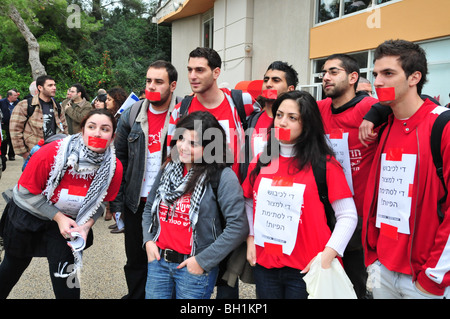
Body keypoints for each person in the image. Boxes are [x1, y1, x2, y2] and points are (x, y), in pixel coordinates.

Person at [243, 90, 357, 298]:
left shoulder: (326, 165)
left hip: (307, 268)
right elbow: (250, 202)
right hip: (266, 266)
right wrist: (251, 238)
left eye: (292, 117)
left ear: (307, 124)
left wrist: (327, 255)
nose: (282, 122)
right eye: (279, 115)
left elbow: (348, 215)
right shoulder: (261, 160)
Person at [0, 108, 123, 299]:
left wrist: (86, 226)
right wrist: (58, 217)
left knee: (67, 281)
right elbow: (25, 193)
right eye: (91, 127)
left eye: (104, 129)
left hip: (70, 224)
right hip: (30, 214)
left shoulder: (114, 167)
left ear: (112, 136)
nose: (97, 133)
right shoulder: (52, 153)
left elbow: (100, 203)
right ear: (82, 130)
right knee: (11, 268)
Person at [362, 39, 450, 299]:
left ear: (414, 77)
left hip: (423, 277)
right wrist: (373, 258)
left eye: (388, 74)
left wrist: (434, 276)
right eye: (375, 74)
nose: (378, 82)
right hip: (382, 268)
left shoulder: (443, 126)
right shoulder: (385, 126)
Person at [142, 111, 248, 299]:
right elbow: (149, 207)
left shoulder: (222, 176)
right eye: (181, 138)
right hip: (158, 262)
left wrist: (202, 261)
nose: (183, 147)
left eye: (193, 143)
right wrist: (148, 241)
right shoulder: (168, 168)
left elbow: (238, 226)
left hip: (193, 267)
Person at [110, 60, 178, 299]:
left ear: (172, 86)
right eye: (149, 80)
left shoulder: (184, 115)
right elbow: (119, 162)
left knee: (168, 259)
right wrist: (117, 205)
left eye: (158, 82)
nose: (151, 86)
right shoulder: (132, 113)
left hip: (170, 204)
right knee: (136, 260)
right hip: (136, 203)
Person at [317, 53, 379, 298]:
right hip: (326, 208)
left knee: (354, 283)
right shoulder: (321, 108)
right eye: (324, 73)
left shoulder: (368, 107)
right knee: (326, 274)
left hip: (359, 213)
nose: (325, 78)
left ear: (353, 77)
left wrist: (376, 115)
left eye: (333, 72)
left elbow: (405, 103)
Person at [167, 47, 261, 182]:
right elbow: (172, 156)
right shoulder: (181, 110)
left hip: (233, 191)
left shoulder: (242, 101)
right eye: (190, 70)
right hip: (194, 192)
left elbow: (262, 138)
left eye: (199, 70)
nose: (192, 76)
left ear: (216, 72)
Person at [242, 61, 298, 179]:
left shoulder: (296, 124)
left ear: (290, 89)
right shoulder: (251, 120)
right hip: (251, 191)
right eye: (266, 80)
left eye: (276, 80)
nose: (268, 84)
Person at [9, 75, 68, 162]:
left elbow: (64, 128)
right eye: (50, 85)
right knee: (32, 176)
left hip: (54, 151)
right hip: (34, 151)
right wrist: (23, 153)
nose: (54, 88)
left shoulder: (58, 107)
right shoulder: (25, 105)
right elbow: (15, 130)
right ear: (40, 87)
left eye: (54, 85)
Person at [0, 90, 19, 163]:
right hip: (4, 124)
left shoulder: (18, 103)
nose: (16, 97)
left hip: (15, 124)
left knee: (13, 139)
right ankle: (3, 154)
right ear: (9, 96)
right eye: (15, 95)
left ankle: (11, 154)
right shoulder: (2, 102)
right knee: (5, 140)